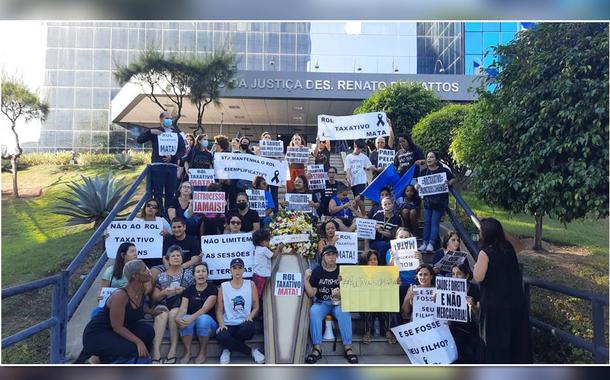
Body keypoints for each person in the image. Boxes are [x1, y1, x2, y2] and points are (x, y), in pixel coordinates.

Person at [473, 218, 532, 364]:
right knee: (514, 339)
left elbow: (478, 277)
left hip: (494, 305)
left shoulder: (485, 253)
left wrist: (475, 267)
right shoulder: (509, 248)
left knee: (494, 342)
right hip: (515, 301)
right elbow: (521, 245)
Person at [81, 260, 158, 364]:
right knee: (133, 348)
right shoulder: (120, 296)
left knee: (148, 332)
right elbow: (117, 327)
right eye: (145, 269)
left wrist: (152, 312)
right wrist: (138, 342)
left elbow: (135, 307)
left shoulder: (142, 289)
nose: (149, 272)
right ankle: (96, 359)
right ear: (135, 276)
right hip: (99, 333)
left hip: (120, 327)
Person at [304, 245, 358, 364]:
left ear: (337, 256)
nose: (331, 257)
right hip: (322, 303)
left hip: (338, 303)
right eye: (328, 255)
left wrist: (343, 286)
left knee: (344, 312)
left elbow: (352, 290)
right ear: (323, 257)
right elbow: (312, 293)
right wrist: (305, 280)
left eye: (334, 254)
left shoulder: (342, 270)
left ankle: (348, 347)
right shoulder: (317, 271)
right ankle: (317, 348)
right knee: (314, 311)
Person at [150, 245, 195, 364]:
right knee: (161, 315)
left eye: (178, 255)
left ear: (182, 258)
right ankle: (156, 351)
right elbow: (154, 297)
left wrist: (184, 290)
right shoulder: (161, 276)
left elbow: (196, 293)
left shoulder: (189, 274)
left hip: (180, 305)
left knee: (174, 313)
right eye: (173, 256)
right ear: (168, 259)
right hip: (163, 303)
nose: (176, 257)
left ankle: (173, 349)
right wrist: (164, 292)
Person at [216, 258, 265, 364]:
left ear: (244, 270)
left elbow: (256, 306)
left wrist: (250, 316)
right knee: (221, 335)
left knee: (248, 327)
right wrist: (221, 324)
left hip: (244, 323)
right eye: (234, 268)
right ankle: (251, 351)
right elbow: (219, 310)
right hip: (228, 324)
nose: (237, 270)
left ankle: (228, 347)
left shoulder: (250, 284)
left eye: (240, 268)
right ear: (230, 270)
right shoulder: (223, 287)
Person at [136, 111, 186, 215]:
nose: (169, 120)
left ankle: (168, 217)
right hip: (158, 167)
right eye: (167, 118)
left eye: (170, 118)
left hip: (172, 167)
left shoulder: (176, 134)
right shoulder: (155, 131)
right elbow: (139, 140)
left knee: (170, 194)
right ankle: (158, 216)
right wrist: (150, 132)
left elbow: (183, 150)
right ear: (161, 119)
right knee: (157, 194)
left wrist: (173, 157)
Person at [176, 262, 218, 364]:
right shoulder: (188, 290)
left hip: (208, 326)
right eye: (198, 272)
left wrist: (190, 318)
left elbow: (205, 309)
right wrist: (178, 317)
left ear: (207, 274)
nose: (201, 274)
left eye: (203, 271)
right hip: (192, 327)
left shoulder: (213, 289)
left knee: (202, 318)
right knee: (184, 318)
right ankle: (188, 352)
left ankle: (202, 352)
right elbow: (183, 309)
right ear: (194, 275)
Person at [416, 151, 456, 252]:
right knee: (427, 223)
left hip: (440, 201)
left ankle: (431, 243)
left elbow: (453, 179)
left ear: (437, 160)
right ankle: (424, 243)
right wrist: (417, 186)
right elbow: (418, 184)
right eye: (427, 157)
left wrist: (448, 183)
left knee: (434, 223)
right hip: (427, 201)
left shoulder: (444, 171)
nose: (429, 159)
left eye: (431, 157)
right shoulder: (423, 172)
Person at [93, 243, 142, 319]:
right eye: (132, 251)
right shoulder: (110, 271)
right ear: (123, 255)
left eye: (136, 251)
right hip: (111, 305)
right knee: (96, 313)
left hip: (130, 305)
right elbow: (102, 290)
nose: (135, 254)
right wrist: (100, 295)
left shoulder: (140, 271)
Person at [386, 227, 423, 325]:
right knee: (394, 292)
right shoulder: (390, 252)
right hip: (399, 283)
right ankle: (396, 327)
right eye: (401, 237)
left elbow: (421, 270)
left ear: (410, 238)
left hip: (413, 283)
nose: (403, 239)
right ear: (396, 238)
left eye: (406, 237)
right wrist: (391, 261)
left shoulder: (416, 252)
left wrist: (420, 259)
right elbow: (388, 272)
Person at [450, 261, 483, 364]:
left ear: (467, 275)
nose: (455, 277)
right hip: (454, 328)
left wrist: (472, 305)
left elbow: (479, 311)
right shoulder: (447, 287)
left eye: (459, 274)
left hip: (471, 328)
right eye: (453, 274)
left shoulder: (474, 288)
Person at [359, 250, 392, 345]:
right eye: (370, 260)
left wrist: (397, 283)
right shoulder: (359, 274)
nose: (373, 262)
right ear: (365, 262)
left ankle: (388, 330)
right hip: (368, 304)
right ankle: (368, 331)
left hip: (381, 303)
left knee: (389, 302)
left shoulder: (385, 272)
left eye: (375, 259)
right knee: (365, 303)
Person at [343, 139, 373, 216]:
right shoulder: (348, 157)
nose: (359, 150)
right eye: (358, 148)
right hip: (353, 182)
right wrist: (348, 178)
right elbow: (348, 169)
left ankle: (363, 215)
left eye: (361, 148)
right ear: (354, 145)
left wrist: (375, 168)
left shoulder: (364, 157)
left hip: (362, 181)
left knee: (359, 199)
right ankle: (355, 214)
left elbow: (369, 167)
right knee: (357, 200)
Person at [252, 229, 284, 298]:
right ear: (261, 242)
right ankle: (258, 306)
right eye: (267, 240)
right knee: (259, 294)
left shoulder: (257, 248)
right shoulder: (264, 250)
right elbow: (274, 256)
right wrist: (278, 248)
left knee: (256, 293)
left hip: (256, 274)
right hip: (262, 276)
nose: (269, 242)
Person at [370, 196, 401, 265]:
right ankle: (382, 265)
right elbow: (369, 227)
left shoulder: (397, 219)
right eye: (385, 204)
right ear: (382, 206)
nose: (387, 206)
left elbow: (392, 234)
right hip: (375, 241)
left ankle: (382, 265)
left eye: (389, 204)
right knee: (383, 245)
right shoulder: (377, 215)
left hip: (390, 242)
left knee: (386, 245)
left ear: (393, 204)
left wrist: (380, 231)